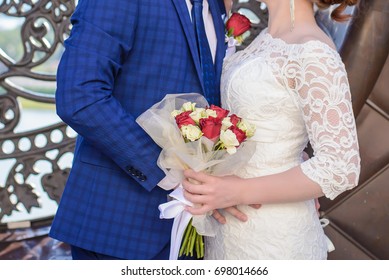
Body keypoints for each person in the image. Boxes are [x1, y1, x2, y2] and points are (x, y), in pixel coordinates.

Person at [49, 0, 236, 260]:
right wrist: (168, 171)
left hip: (200, 226)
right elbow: (80, 96)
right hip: (118, 225)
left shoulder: (215, 6)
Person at [182, 0, 361, 259]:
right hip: (228, 225)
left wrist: (238, 191)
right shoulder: (267, 38)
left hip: (272, 236)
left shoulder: (312, 50)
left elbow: (341, 167)